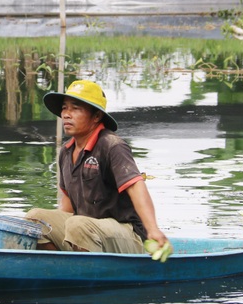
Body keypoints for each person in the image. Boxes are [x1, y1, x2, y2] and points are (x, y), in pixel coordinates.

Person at [27, 80, 169, 254]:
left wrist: (153, 229)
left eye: (76, 108)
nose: (66, 114)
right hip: (84, 231)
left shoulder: (112, 146)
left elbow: (136, 187)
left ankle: (90, 273)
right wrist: (56, 232)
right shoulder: (66, 152)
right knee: (35, 219)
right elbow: (68, 206)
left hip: (127, 235)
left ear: (96, 116)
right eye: (64, 108)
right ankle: (63, 269)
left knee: (77, 224)